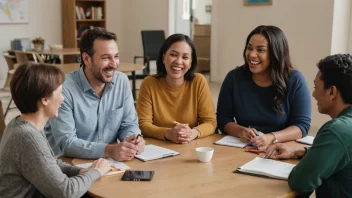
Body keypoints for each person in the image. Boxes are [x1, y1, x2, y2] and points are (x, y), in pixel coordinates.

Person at [0, 63, 115, 198]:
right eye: (60, 93)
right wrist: (95, 172)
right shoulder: (27, 138)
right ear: (45, 100)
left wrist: (82, 171)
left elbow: (51, 163)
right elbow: (65, 192)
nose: (63, 99)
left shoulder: (21, 123)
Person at [45, 27, 145, 161]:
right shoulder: (63, 89)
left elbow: (128, 124)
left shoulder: (121, 81)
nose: (114, 64)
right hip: (67, 165)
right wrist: (109, 150)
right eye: (106, 58)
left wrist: (134, 139)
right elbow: (66, 142)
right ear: (86, 59)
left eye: (116, 57)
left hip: (107, 163)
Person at [265, 54, 352, 197]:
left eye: (316, 87)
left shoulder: (336, 131)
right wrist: (299, 151)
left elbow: (300, 182)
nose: (313, 94)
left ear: (332, 92)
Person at [217, 25, 311, 148]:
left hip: (281, 148)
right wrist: (241, 131)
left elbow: (302, 125)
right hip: (244, 146)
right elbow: (223, 119)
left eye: (260, 50)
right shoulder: (234, 78)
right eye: (249, 48)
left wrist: (271, 137)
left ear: (275, 54)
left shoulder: (295, 80)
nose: (251, 54)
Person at [136, 34, 216, 143]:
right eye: (173, 55)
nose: (178, 61)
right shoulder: (149, 83)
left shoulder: (198, 81)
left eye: (185, 57)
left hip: (189, 144)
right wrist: (168, 133)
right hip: (158, 147)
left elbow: (210, 122)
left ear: (191, 62)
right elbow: (143, 124)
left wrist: (193, 133)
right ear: (164, 57)